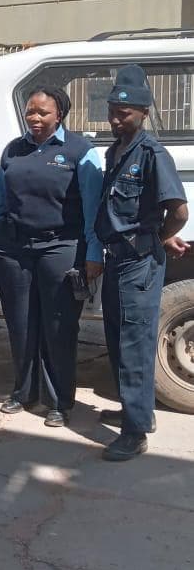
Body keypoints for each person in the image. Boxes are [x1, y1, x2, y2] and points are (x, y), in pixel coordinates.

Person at [0, 86, 104, 426]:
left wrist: (94, 252)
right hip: (14, 250)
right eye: (30, 111)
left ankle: (59, 402)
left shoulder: (80, 151)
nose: (34, 117)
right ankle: (23, 393)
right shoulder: (14, 150)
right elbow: (0, 199)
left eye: (42, 112)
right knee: (20, 325)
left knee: (59, 327)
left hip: (61, 248)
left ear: (59, 114)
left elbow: (93, 210)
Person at [96, 64, 188, 461]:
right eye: (114, 111)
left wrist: (164, 235)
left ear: (143, 113)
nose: (117, 118)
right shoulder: (115, 151)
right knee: (117, 339)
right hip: (116, 258)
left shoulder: (151, 153)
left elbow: (179, 210)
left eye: (125, 112)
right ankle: (136, 412)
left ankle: (135, 434)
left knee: (135, 345)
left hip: (139, 262)